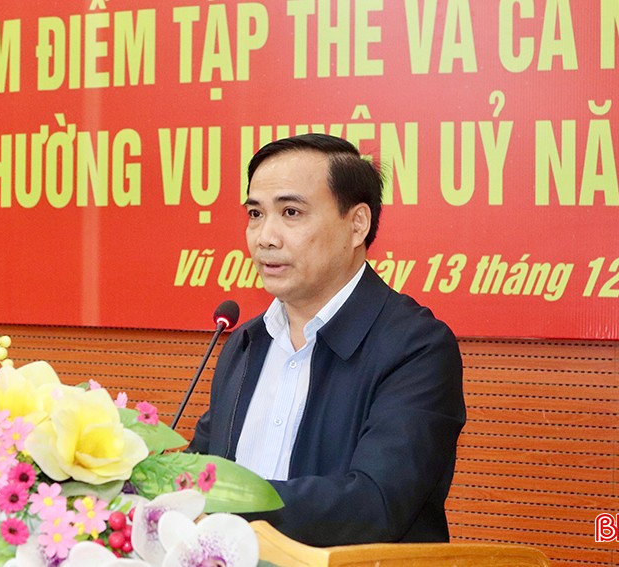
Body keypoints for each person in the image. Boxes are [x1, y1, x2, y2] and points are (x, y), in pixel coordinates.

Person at [187, 133, 465, 546]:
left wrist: (230, 504)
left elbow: (377, 505)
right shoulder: (245, 343)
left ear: (357, 225)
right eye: (255, 214)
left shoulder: (416, 348)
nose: (265, 237)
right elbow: (201, 472)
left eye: (291, 212)